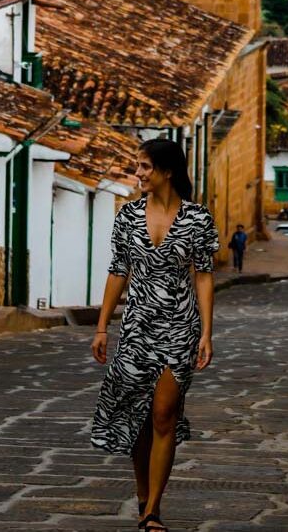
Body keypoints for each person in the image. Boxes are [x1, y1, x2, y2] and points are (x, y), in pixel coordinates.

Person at [91, 138, 218, 532]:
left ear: (167, 171)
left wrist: (206, 333)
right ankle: (143, 493)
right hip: (137, 328)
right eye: (138, 166)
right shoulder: (128, 216)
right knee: (139, 418)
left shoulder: (198, 219)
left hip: (180, 328)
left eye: (145, 166)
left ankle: (152, 511)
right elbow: (118, 271)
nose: (138, 173)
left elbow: (204, 275)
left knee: (164, 414)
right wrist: (102, 326)